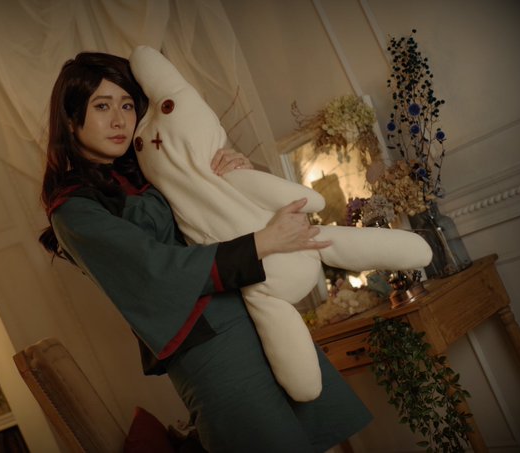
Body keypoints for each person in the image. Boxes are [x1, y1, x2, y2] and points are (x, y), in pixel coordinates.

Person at [39, 51, 372, 453]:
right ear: (70, 119)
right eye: (101, 106)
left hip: (250, 314)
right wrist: (263, 242)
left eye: (126, 105)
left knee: (323, 437)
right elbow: (154, 271)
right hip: (206, 345)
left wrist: (231, 170)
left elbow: (214, 214)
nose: (119, 120)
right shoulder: (74, 209)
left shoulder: (149, 164)